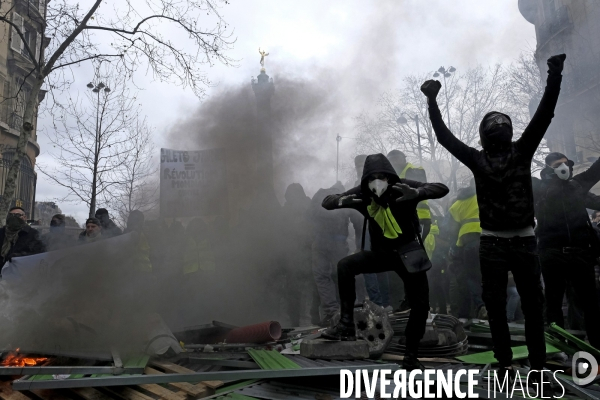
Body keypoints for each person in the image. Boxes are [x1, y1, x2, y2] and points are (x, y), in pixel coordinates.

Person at [421, 53, 565, 381]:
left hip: (498, 244)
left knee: (502, 307)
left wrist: (432, 101)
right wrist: (555, 74)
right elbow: (546, 113)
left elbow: (444, 138)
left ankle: (508, 364)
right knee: (528, 307)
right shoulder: (520, 150)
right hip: (517, 242)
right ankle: (535, 366)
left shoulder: (479, 158)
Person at [320, 153, 449, 370]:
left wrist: (418, 193)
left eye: (382, 176)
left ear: (390, 176)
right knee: (345, 265)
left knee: (420, 304)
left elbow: (441, 188)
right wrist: (343, 201)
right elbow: (327, 201)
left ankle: (410, 355)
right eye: (372, 177)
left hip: (408, 254)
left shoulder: (403, 187)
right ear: (366, 179)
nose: (377, 182)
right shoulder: (362, 193)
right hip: (381, 254)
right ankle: (345, 324)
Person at [532, 152, 600, 348]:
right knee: (553, 304)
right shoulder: (541, 190)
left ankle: (596, 345)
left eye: (566, 163)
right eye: (557, 165)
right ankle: (558, 348)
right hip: (552, 253)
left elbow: (595, 171)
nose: (563, 168)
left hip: (580, 253)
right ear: (548, 169)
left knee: (590, 303)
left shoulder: (577, 186)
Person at [352, 155, 392, 311]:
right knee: (379, 266)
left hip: (372, 229)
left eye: (360, 166)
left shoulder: (367, 184)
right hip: (373, 229)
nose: (359, 169)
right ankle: (384, 303)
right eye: (357, 166)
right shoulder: (372, 182)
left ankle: (378, 303)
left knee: (370, 267)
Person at [447, 179, 486, 320]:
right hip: (490, 240)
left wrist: (453, 248)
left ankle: (481, 306)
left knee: (471, 276)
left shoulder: (457, 204)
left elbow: (451, 229)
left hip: (469, 241)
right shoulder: (488, 196)